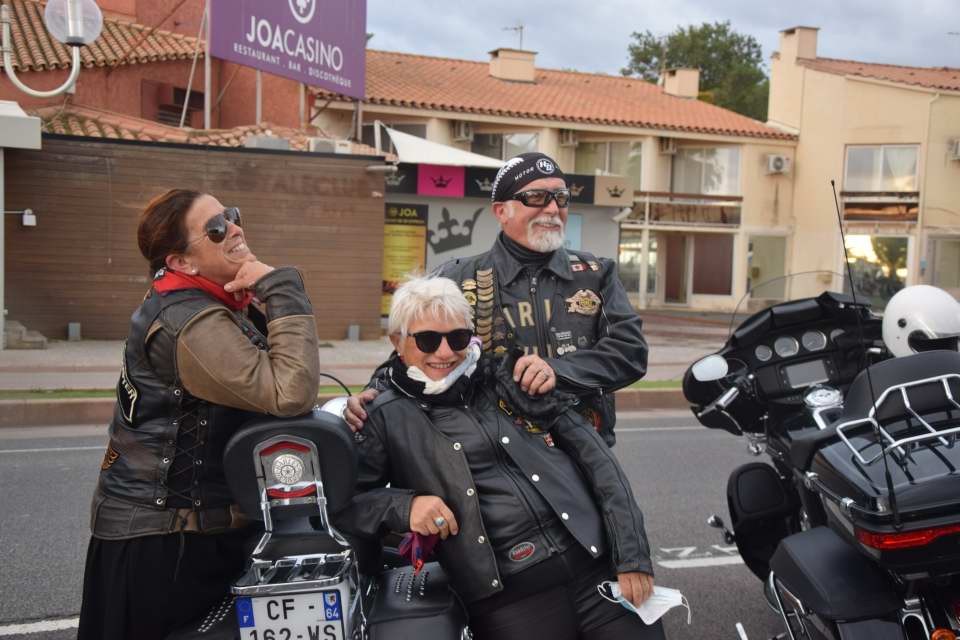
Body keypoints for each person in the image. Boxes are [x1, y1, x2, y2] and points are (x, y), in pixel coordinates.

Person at [334, 275, 664, 640]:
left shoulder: (509, 375)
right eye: (427, 340)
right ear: (397, 342)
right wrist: (404, 506)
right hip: (509, 598)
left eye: (457, 338)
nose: (444, 353)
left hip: (596, 567)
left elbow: (599, 462)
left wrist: (632, 557)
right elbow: (346, 504)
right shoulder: (382, 413)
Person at [77, 189, 321, 640]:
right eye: (215, 228)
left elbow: (273, 388)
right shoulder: (192, 321)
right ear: (182, 264)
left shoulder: (216, 306)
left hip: (192, 536)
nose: (234, 229)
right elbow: (289, 391)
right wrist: (282, 285)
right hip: (165, 548)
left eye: (230, 216)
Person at [346, 152, 647, 446]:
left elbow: (630, 352)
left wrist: (558, 371)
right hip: (494, 458)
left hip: (585, 450)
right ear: (501, 211)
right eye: (537, 197)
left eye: (561, 198)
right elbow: (410, 350)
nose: (553, 209)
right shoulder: (457, 277)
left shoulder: (596, 273)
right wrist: (371, 394)